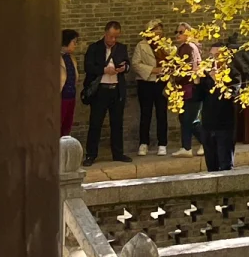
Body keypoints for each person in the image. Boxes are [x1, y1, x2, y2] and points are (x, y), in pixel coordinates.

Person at [83, 21, 132, 166]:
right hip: (100, 90)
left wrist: (125, 68)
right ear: (105, 34)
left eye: (116, 37)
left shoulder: (121, 48)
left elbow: (127, 64)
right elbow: (88, 66)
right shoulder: (94, 48)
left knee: (117, 123)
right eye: (111, 37)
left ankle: (118, 153)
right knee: (95, 123)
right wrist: (104, 70)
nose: (113, 40)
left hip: (116, 89)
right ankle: (91, 154)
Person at [193, 45, 239, 171]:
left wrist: (217, 80)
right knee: (211, 165)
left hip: (225, 126)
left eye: (217, 56)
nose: (213, 60)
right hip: (207, 125)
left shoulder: (234, 74)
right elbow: (197, 98)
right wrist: (197, 81)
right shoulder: (206, 75)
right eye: (211, 56)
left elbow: (231, 96)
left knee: (225, 164)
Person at [131, 19, 169, 156]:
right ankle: (143, 143)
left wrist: (165, 70)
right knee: (145, 113)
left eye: (160, 28)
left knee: (162, 113)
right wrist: (153, 70)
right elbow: (135, 64)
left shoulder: (166, 45)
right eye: (155, 29)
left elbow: (174, 61)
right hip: (146, 82)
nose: (158, 31)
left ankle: (162, 143)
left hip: (162, 82)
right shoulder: (141, 46)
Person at [173, 23, 205, 157]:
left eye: (181, 32)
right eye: (177, 32)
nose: (177, 35)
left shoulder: (188, 48)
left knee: (189, 119)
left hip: (190, 89)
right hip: (187, 89)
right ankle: (191, 145)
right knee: (188, 118)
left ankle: (191, 146)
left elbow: (188, 70)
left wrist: (175, 76)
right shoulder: (186, 47)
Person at [60, 29, 79, 138]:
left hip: (71, 95)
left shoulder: (71, 58)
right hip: (61, 96)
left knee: (67, 125)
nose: (75, 45)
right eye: (73, 42)